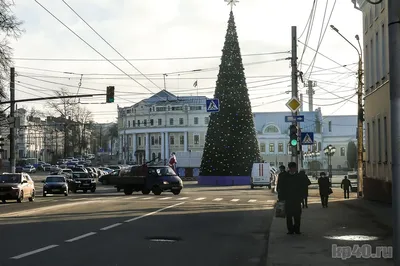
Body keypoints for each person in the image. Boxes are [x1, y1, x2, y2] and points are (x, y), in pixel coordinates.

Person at [277, 162, 303, 235]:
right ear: (289, 168)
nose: (293, 169)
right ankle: (290, 230)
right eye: (291, 168)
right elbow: (280, 187)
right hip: (287, 199)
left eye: (294, 168)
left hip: (296, 199)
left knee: (297, 215)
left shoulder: (299, 176)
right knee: (289, 215)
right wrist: (280, 198)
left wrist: (301, 198)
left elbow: (302, 187)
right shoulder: (284, 176)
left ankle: (297, 229)